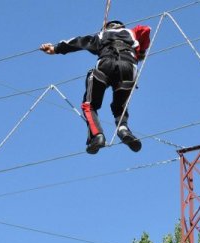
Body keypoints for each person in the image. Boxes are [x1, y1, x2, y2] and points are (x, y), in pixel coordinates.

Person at [40, 20, 150, 154]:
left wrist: (56, 48)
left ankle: (97, 135)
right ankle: (123, 129)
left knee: (89, 104)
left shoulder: (101, 35)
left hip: (106, 64)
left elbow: (80, 42)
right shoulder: (131, 33)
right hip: (128, 67)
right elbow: (146, 30)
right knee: (119, 106)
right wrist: (141, 52)